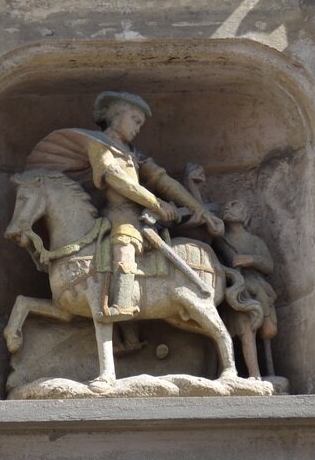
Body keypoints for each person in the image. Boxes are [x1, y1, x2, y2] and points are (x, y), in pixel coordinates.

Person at [84, 92, 224, 322]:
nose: (138, 128)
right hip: (119, 216)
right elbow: (118, 180)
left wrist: (199, 209)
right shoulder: (99, 145)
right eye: (135, 120)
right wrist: (156, 203)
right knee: (124, 244)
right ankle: (122, 304)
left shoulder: (133, 153)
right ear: (116, 116)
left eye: (140, 124)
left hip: (144, 216)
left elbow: (162, 180)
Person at [214, 199, 278, 376]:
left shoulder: (255, 241)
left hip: (257, 288)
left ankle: (270, 371)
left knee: (268, 330)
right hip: (236, 289)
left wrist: (250, 259)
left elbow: (269, 265)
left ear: (246, 215)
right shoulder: (220, 242)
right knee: (245, 328)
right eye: (227, 205)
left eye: (235, 205)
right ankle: (253, 374)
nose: (228, 206)